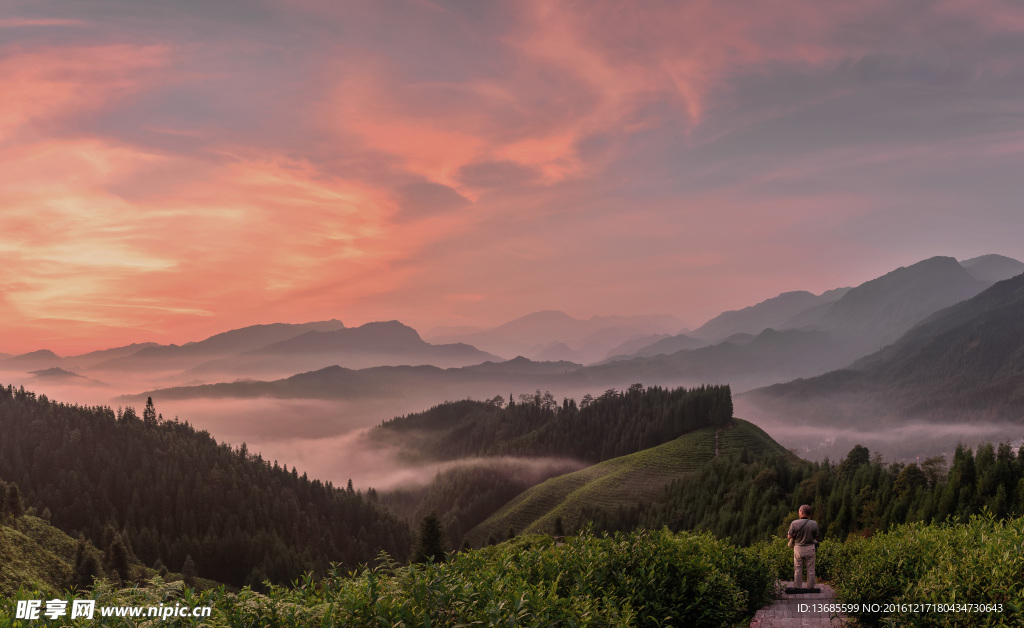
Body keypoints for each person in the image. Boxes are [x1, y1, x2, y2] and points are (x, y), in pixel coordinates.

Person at [788, 504, 820, 589]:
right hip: (810, 548)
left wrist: (795, 535)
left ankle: (797, 586)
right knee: (811, 569)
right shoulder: (814, 523)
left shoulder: (794, 523)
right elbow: (816, 536)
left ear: (802, 512)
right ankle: (810, 586)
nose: (798, 512)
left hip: (798, 548)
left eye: (799, 511)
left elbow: (789, 536)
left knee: (798, 569)